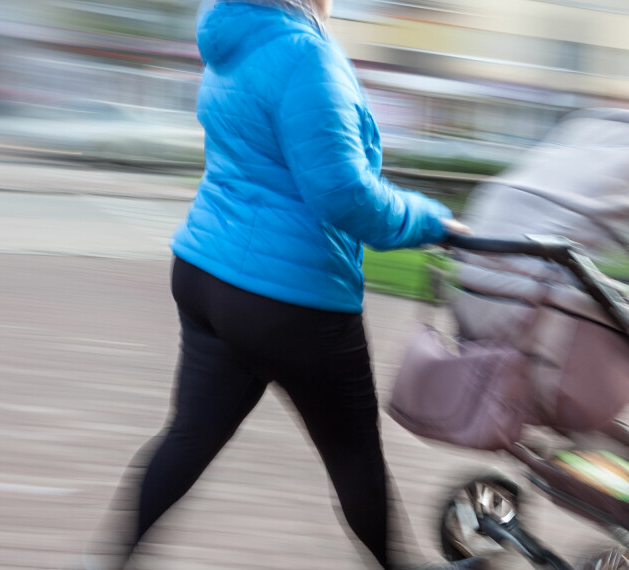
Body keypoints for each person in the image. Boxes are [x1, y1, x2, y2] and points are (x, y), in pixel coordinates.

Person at [84, 0, 480, 568]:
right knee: (354, 458)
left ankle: (106, 560)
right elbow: (345, 195)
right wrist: (431, 222)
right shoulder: (306, 56)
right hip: (290, 296)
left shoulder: (232, 42)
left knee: (190, 437)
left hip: (206, 273)